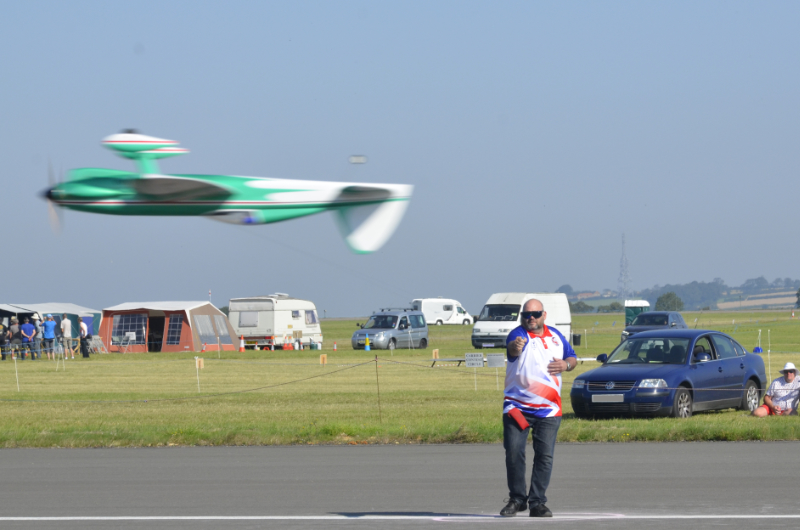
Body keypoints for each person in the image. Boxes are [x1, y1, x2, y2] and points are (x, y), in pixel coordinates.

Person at [500, 299, 577, 518]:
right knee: (514, 453)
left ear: (544, 314)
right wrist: (515, 347)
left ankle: (537, 502)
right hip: (517, 408)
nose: (530, 318)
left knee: (544, 457)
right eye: (526, 315)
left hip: (549, 410)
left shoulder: (556, 336)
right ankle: (517, 499)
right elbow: (512, 348)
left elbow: (572, 357)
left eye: (535, 314)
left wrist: (566, 365)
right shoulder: (518, 335)